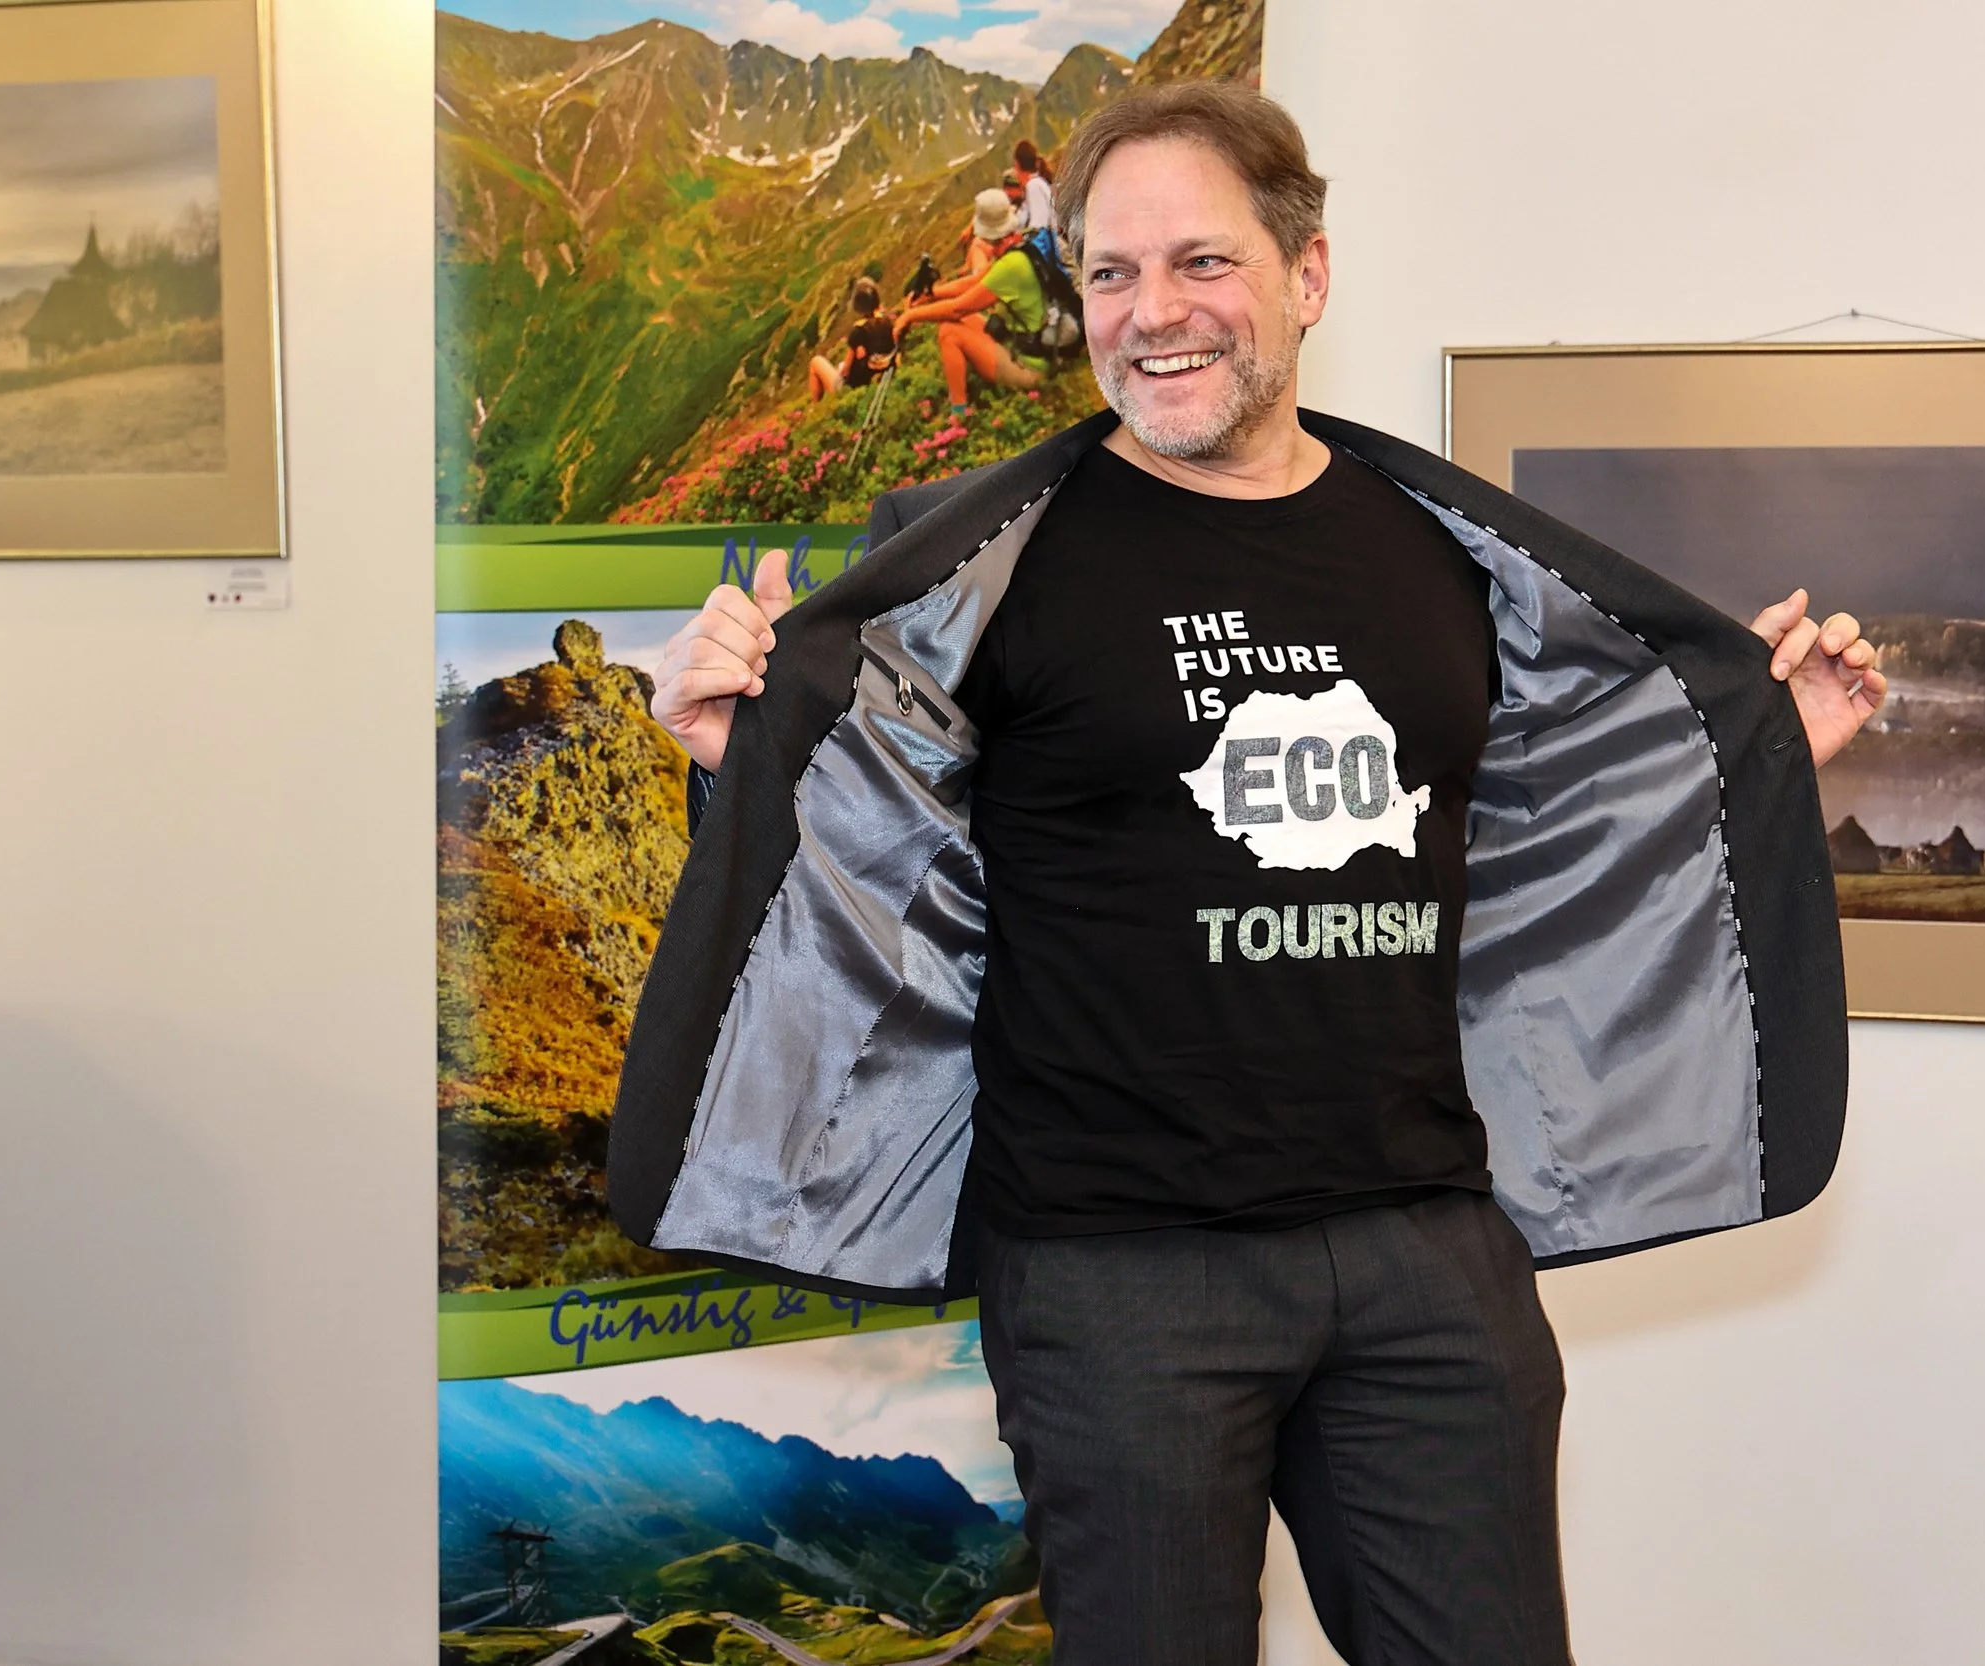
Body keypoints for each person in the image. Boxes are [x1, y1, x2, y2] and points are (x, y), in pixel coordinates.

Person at [619, 81, 1885, 1666]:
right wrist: (728, 751)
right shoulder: (977, 562)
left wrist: (1750, 759)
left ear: (1309, 275)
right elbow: (879, 853)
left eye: (1202, 264)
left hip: (1426, 1254)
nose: (1153, 316)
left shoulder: (1440, 550)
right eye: (1111, 274)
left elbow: (1532, 837)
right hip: (1117, 1273)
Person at [891, 210, 1049, 414]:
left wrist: (909, 315)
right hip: (1038, 346)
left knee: (949, 332)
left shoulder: (1009, 266)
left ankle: (959, 414)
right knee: (962, 321)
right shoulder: (1021, 249)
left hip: (1031, 368)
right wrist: (931, 295)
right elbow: (975, 282)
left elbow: (958, 309)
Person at [804, 276, 896, 401]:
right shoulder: (888, 322)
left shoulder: (858, 332)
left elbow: (846, 371)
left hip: (851, 390)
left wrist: (842, 369)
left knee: (816, 362)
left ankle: (816, 407)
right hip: (877, 377)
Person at [1013, 137, 1061, 269]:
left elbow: (1039, 229)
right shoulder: (1037, 184)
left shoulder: (1034, 187)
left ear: (1017, 165)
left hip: (1049, 259)